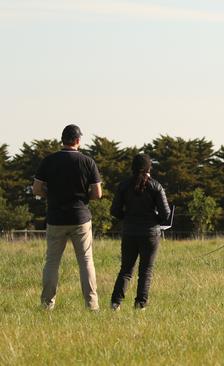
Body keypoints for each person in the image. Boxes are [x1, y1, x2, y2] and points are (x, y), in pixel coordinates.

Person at [33, 124, 102, 311]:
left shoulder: (48, 161)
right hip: (80, 217)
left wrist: (51, 195)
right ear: (78, 140)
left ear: (62, 140)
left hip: (56, 218)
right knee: (86, 261)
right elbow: (97, 193)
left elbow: (37, 189)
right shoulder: (88, 162)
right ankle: (92, 305)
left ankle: (47, 304)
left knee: (52, 262)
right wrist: (83, 197)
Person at [110, 154, 170, 310]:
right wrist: (154, 219)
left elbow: (114, 210)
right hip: (150, 234)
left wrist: (127, 217)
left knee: (126, 270)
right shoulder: (156, 186)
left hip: (129, 232)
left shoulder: (123, 186)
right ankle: (140, 304)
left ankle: (115, 302)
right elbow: (166, 215)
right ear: (149, 168)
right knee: (145, 271)